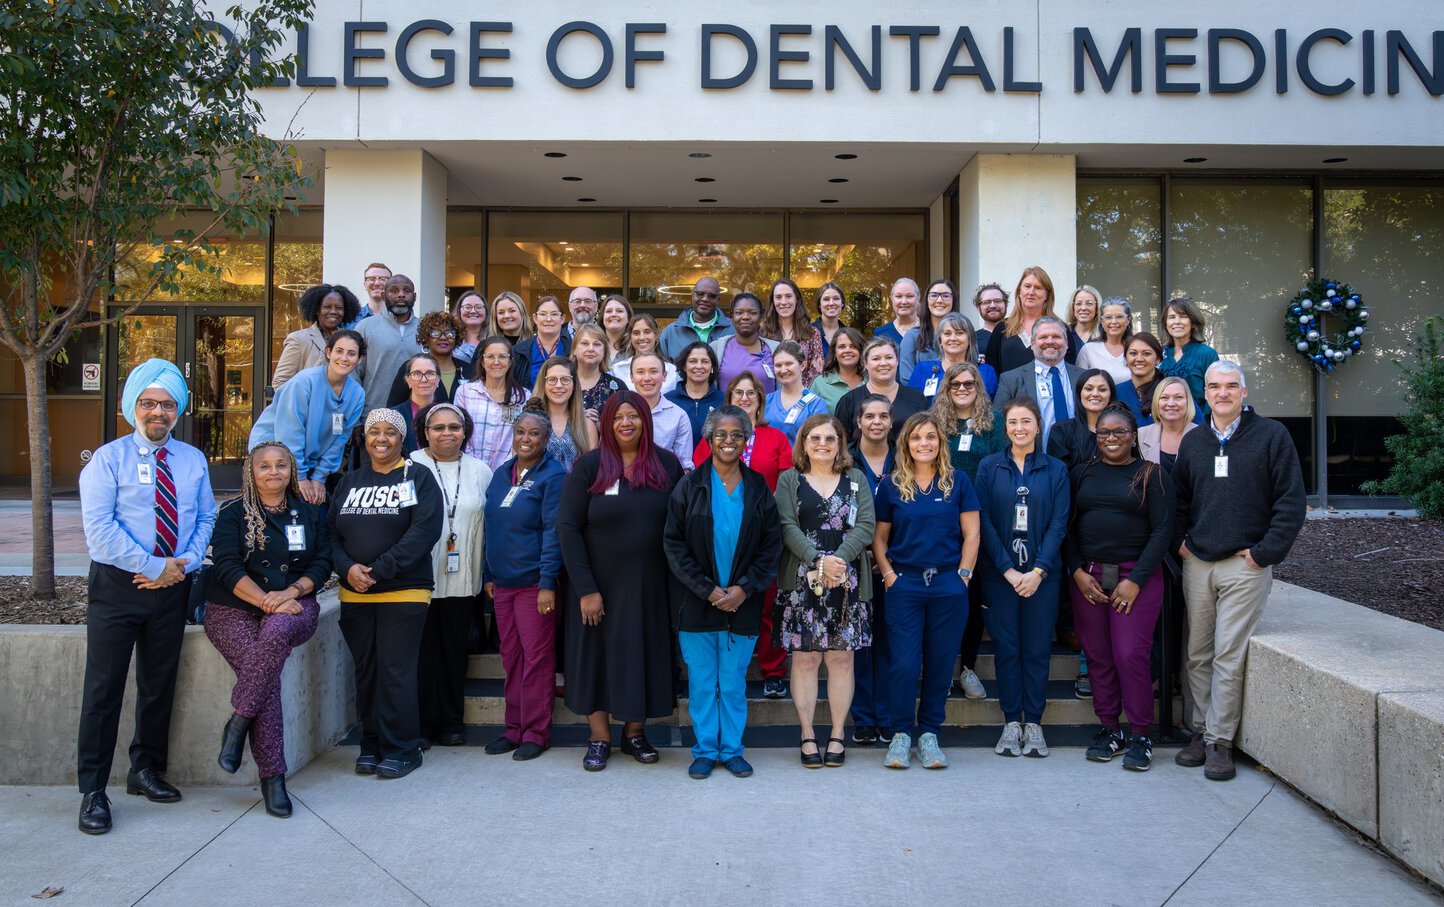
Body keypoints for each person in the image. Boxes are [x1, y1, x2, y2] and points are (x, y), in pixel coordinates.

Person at [76, 359, 217, 835]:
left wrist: (183, 564)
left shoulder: (192, 460)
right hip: (119, 587)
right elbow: (100, 531)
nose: (159, 412)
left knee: (159, 684)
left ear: (179, 409)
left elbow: (205, 518)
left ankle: (146, 770)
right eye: (149, 403)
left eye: (168, 404)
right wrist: (155, 567)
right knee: (104, 690)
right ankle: (93, 790)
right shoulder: (107, 459)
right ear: (132, 406)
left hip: (173, 586)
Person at [1172, 360, 1305, 781]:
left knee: (1228, 654)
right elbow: (1178, 499)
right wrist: (1180, 542)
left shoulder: (1271, 436)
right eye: (1215, 387)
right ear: (1205, 394)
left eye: (1231, 386)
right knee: (1197, 654)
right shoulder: (1194, 441)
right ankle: (1200, 730)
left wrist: (1264, 554)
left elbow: (1290, 502)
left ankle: (1219, 742)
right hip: (1199, 561)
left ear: (1244, 392)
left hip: (1244, 565)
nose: (1223, 393)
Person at [559, 391, 684, 771]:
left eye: (633, 416)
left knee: (642, 658)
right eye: (617, 417)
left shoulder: (666, 465)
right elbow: (568, 528)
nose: (625, 423)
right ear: (606, 423)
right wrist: (586, 589)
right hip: (597, 586)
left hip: (649, 587)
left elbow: (681, 525)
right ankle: (599, 738)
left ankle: (634, 734)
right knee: (595, 660)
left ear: (645, 420)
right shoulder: (590, 466)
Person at [206, 442, 329, 817]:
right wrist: (265, 600)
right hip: (233, 607)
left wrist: (290, 593)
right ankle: (273, 778)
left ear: (291, 470)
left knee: (274, 636)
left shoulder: (309, 512)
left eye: (281, 465)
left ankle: (238, 722)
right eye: (264, 466)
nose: (273, 472)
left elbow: (322, 563)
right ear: (251, 472)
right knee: (265, 675)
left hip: (296, 604)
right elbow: (226, 565)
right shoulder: (232, 513)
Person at [664, 405, 783, 779]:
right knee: (702, 684)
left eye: (736, 435)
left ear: (746, 441)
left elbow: (771, 546)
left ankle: (731, 750)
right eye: (721, 434)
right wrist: (708, 590)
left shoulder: (758, 488)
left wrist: (744, 589)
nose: (728, 441)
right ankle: (704, 751)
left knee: (732, 684)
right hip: (697, 603)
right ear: (709, 439)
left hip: (742, 604)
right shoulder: (689, 486)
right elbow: (673, 545)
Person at [330, 408, 444, 779]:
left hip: (404, 590)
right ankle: (372, 744)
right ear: (364, 438)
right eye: (374, 431)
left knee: (396, 671)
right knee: (367, 672)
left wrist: (379, 570)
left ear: (402, 438)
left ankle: (403, 748)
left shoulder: (417, 476)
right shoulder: (350, 481)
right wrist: (347, 568)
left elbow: (424, 531)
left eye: (390, 432)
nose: (381, 438)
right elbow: (330, 534)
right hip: (354, 593)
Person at [1066, 404, 1175, 772]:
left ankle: (1141, 733)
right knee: (1098, 655)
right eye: (1104, 433)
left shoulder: (1152, 474)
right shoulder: (1081, 473)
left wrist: (1136, 580)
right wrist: (1077, 571)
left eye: (1119, 432)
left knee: (1130, 654)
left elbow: (1163, 530)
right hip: (1090, 577)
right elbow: (1066, 527)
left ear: (1133, 436)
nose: (1111, 438)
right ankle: (1110, 729)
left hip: (1136, 577)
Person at [871, 411, 980, 770]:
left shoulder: (958, 481)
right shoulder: (891, 485)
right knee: (903, 664)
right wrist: (889, 574)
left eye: (930, 436)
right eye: (917, 437)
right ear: (906, 443)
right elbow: (879, 538)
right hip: (905, 584)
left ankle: (930, 733)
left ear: (940, 442)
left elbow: (972, 534)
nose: (924, 443)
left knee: (940, 662)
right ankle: (901, 734)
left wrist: (964, 575)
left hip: (948, 584)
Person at [775, 414, 876, 768]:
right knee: (805, 659)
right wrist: (819, 560)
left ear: (840, 444)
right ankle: (806, 733)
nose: (822, 444)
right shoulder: (789, 479)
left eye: (830, 439)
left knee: (841, 659)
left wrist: (838, 561)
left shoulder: (856, 479)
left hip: (846, 582)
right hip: (802, 581)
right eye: (815, 438)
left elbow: (866, 525)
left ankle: (837, 733)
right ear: (803, 443)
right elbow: (786, 525)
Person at [976, 397, 1070, 759]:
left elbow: (1059, 522)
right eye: (1013, 422)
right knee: (1007, 648)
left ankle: (1034, 722)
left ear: (1038, 426)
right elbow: (982, 521)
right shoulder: (989, 467)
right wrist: (1008, 569)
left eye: (1026, 421)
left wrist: (1039, 570)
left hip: (1042, 577)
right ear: (1005, 427)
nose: (1020, 428)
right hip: (1000, 575)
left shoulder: (1055, 469)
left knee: (1036, 649)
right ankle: (1012, 721)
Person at [693, 371, 794, 698]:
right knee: (721, 598)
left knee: (767, 602)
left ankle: (773, 671)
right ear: (729, 399)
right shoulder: (712, 438)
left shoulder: (775, 438)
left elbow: (786, 484)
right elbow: (700, 480)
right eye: (738, 393)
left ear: (761, 400)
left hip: (763, 533)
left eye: (752, 393)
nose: (745, 398)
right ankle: (720, 672)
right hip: (718, 534)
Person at [482, 409, 567, 760]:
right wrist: (488, 574)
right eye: (520, 432)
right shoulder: (502, 473)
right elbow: (490, 527)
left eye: (534, 433)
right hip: (502, 584)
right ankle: (513, 728)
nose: (526, 439)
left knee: (536, 659)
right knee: (511, 656)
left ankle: (535, 732)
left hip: (534, 584)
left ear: (546, 440)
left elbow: (554, 533)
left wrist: (547, 582)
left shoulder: (554, 476)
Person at [409, 402, 493, 749]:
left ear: (465, 431)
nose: (447, 433)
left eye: (454, 427)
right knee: (421, 653)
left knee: (454, 653)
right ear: (425, 432)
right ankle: (422, 724)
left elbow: (490, 525)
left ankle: (451, 722)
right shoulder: (410, 465)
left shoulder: (480, 470)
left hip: (463, 578)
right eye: (439, 427)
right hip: (418, 578)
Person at [932, 362, 1007, 700]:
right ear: (946, 389)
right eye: (955, 384)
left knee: (972, 596)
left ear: (979, 387)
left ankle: (968, 667)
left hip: (981, 520)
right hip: (940, 520)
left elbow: (1002, 467)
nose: (962, 389)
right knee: (942, 598)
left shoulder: (996, 423)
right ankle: (940, 669)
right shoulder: (934, 422)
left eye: (969, 384)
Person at [249, 329, 366, 504]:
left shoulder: (357, 394)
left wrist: (319, 477)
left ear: (360, 359)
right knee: (291, 505)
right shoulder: (303, 383)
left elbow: (340, 439)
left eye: (351, 354)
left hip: (309, 461)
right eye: (339, 351)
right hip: (274, 454)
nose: (344, 358)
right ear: (328, 352)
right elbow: (290, 433)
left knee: (318, 504)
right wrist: (300, 477)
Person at [847, 395, 895, 744]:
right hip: (855, 563)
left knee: (891, 642)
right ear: (859, 422)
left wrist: (888, 559)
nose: (876, 422)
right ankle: (863, 716)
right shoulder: (844, 460)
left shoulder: (906, 458)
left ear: (891, 422)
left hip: (896, 565)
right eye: (870, 416)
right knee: (860, 643)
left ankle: (887, 715)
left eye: (883, 416)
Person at [993, 316, 1084, 448]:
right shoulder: (1011, 380)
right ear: (1032, 344)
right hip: (1030, 457)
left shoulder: (1083, 377)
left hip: (1080, 457)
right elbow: (998, 425)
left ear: (1066, 343)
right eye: (1043, 337)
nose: (1050, 341)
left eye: (1056, 337)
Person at [833, 337, 928, 447]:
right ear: (865, 363)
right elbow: (840, 444)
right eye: (876, 359)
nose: (883, 363)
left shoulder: (917, 398)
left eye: (889, 357)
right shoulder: (849, 401)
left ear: (897, 361)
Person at [455, 337, 528, 471]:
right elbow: (460, 431)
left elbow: (521, 438)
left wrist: (503, 471)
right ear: (482, 362)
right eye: (490, 357)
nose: (496, 362)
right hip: (468, 470)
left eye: (502, 356)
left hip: (506, 472)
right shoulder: (465, 392)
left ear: (510, 361)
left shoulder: (523, 397)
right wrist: (476, 468)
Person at [355, 273, 423, 413]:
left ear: (414, 297)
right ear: (384, 296)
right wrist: (356, 414)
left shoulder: (425, 328)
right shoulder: (366, 327)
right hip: (375, 412)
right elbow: (354, 373)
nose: (401, 295)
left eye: (407, 290)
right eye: (394, 290)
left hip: (417, 413)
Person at [272, 283, 361, 390]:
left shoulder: (350, 340)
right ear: (317, 310)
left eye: (338, 308)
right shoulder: (299, 340)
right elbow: (280, 382)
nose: (333, 311)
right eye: (327, 307)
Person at [386, 310, 474, 406]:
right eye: (436, 333)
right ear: (426, 337)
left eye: (449, 333)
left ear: (457, 338)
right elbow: (393, 407)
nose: (443, 338)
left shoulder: (469, 370)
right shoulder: (411, 367)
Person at [907, 312, 997, 402]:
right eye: (947, 333)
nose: (953, 338)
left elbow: (992, 407)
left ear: (970, 339)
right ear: (940, 340)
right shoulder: (922, 370)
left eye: (959, 333)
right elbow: (911, 404)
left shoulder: (986, 372)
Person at [985, 267, 1057, 375]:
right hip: (1009, 386)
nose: (1031, 292)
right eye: (1027, 286)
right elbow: (991, 371)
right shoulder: (1002, 328)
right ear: (1019, 292)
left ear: (1047, 295)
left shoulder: (1059, 329)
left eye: (1038, 288)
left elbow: (1068, 370)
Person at [531, 356, 597, 472]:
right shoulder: (529, 423)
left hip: (577, 484)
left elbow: (593, 472)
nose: (558, 385)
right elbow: (519, 469)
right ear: (543, 384)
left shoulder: (587, 426)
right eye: (552, 379)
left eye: (565, 379)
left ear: (574, 385)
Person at [1160, 295, 1221, 419]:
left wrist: (1206, 424)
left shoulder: (1207, 354)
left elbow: (1215, 392)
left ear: (1193, 322)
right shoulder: (1161, 354)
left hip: (1198, 422)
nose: (1177, 321)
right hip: (1166, 422)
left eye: (1183, 316)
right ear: (1166, 323)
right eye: (1172, 317)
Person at [1046, 369, 1119, 470]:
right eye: (1089, 389)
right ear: (1079, 393)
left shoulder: (1121, 431)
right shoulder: (1061, 431)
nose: (1095, 394)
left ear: (1111, 395)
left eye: (1102, 390)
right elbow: (1058, 474)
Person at [631, 351, 693, 468]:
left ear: (664, 376)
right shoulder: (619, 414)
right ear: (631, 377)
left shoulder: (679, 416)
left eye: (653, 371)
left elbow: (684, 465)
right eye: (640, 372)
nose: (647, 378)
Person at [712, 292, 780, 393]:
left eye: (752, 313)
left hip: (767, 404)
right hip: (725, 404)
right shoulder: (716, 348)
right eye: (739, 313)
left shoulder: (776, 349)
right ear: (731, 316)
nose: (745, 317)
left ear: (761, 317)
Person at [762, 277, 825, 385]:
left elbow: (816, 374)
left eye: (788, 296)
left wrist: (799, 393)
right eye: (778, 297)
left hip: (802, 393)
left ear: (797, 299)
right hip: (769, 393)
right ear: (773, 302)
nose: (783, 302)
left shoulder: (812, 333)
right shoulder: (762, 334)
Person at [764, 341, 829, 444]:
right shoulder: (766, 401)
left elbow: (818, 442)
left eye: (789, 364)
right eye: (778, 365)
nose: (783, 370)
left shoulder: (816, 404)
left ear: (802, 365)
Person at [898, 278, 960, 381]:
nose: (939, 300)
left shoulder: (965, 335)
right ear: (927, 301)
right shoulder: (912, 336)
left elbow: (972, 371)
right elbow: (906, 379)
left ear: (953, 300)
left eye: (946, 296)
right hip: (918, 391)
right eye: (934, 295)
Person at [659, 276, 733, 360]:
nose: (705, 299)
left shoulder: (734, 330)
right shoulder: (671, 333)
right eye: (700, 294)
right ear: (692, 296)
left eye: (712, 296)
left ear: (718, 300)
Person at [666, 340, 724, 445]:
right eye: (693, 361)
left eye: (705, 361)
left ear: (712, 367)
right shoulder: (668, 401)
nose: (699, 366)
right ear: (684, 367)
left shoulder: (724, 400)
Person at [1139, 377, 1199, 470]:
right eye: (1164, 397)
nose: (1171, 403)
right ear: (1156, 402)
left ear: (1188, 402)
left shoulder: (1203, 436)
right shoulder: (1140, 435)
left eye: (1178, 397)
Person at [615, 313, 680, 394]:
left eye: (647, 332)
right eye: (636, 333)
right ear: (630, 338)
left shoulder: (673, 372)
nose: (642, 337)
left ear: (656, 335)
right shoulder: (617, 370)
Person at [1076, 296, 1135, 385]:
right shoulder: (1089, 350)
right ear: (1102, 321)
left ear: (1128, 320)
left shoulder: (1137, 349)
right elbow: (1080, 385)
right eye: (1108, 317)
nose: (1114, 321)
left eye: (1119, 317)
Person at [389, 354, 440, 454]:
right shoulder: (393, 416)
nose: (424, 380)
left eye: (430, 373)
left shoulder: (449, 414)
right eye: (417, 374)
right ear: (408, 380)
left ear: (438, 379)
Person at [516, 296, 571, 387]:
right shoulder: (519, 352)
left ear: (562, 318)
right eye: (543, 314)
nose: (548, 319)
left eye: (554, 314)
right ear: (535, 318)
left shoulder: (574, 350)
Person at [572, 323, 625, 415]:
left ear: (604, 351)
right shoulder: (561, 383)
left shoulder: (617, 387)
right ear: (574, 350)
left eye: (597, 344)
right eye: (585, 343)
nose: (591, 349)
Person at [808, 326, 866, 411]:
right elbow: (808, 414)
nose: (847, 350)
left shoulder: (872, 380)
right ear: (834, 353)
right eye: (842, 347)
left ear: (861, 351)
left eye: (853, 346)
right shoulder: (820, 383)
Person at [1125, 332, 1168, 426]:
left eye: (1146, 354)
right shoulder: (1115, 392)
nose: (1139, 359)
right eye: (1133, 353)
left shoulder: (1172, 389)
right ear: (1126, 359)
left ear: (1158, 359)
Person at [872, 277, 921, 345]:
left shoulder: (931, 330)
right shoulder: (880, 334)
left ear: (918, 298)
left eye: (909, 296)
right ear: (892, 299)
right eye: (898, 296)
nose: (904, 301)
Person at [1064, 285, 1103, 361]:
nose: (1083, 308)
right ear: (1073, 307)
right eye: (1079, 304)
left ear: (1097, 307)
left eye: (1089, 304)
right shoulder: (1064, 333)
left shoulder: (1104, 335)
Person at [452, 290, 488, 365]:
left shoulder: (496, 334)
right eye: (467, 307)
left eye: (478, 307)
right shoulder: (450, 336)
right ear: (459, 310)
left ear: (486, 311)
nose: (473, 311)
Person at [972, 282, 1009, 355]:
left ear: (1006, 304)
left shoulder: (1018, 333)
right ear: (978, 308)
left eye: (997, 301)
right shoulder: (972, 340)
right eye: (986, 302)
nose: (992, 305)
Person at [813, 281, 848, 357]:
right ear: (819, 304)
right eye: (826, 299)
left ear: (842, 303)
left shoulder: (849, 335)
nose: (831, 303)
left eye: (836, 298)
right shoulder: (807, 332)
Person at [599, 294, 634, 363]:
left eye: (619, 311)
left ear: (628, 317)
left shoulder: (635, 346)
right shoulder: (594, 345)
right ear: (602, 317)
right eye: (609, 311)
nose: (614, 314)